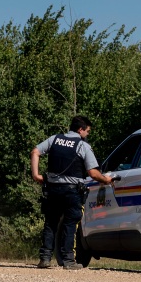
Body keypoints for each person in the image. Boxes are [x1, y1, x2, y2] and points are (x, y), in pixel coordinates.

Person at [30, 115, 114, 270]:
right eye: (87, 131)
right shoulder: (82, 146)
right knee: (70, 224)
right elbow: (92, 173)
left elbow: (35, 152)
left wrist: (36, 175)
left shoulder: (55, 139)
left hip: (52, 189)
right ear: (80, 129)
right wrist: (106, 180)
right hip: (72, 191)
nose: (88, 134)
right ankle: (68, 260)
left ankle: (45, 258)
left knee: (51, 223)